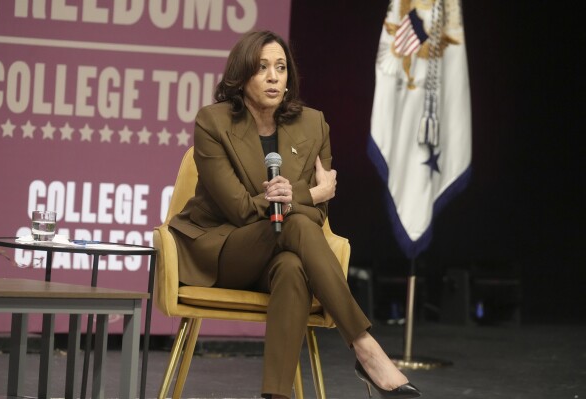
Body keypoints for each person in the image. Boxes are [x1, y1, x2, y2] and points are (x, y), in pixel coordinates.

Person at [169, 30, 421, 399]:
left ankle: (276, 395)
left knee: (293, 266)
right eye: (262, 68)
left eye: (281, 67)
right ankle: (365, 347)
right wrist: (310, 192)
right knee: (293, 221)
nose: (274, 77)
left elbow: (317, 217)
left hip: (281, 247)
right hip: (222, 251)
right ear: (240, 77)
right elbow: (239, 210)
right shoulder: (213, 122)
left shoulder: (313, 125)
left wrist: (302, 202)